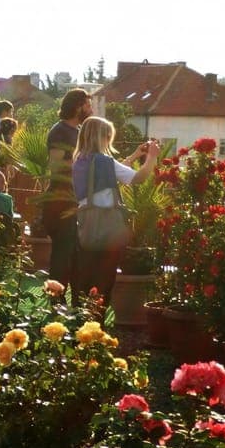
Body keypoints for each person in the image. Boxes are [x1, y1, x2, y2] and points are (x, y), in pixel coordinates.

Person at [71, 116, 160, 307]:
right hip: (107, 228)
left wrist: (135, 155)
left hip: (87, 226)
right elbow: (137, 178)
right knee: (104, 281)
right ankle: (97, 325)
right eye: (108, 136)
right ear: (101, 137)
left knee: (87, 277)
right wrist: (152, 157)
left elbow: (110, 175)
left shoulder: (80, 160)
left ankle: (80, 323)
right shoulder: (104, 161)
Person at [44, 88, 93, 305]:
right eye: (88, 104)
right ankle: (55, 305)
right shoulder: (59, 132)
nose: (90, 109)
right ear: (78, 106)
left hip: (78, 203)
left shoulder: (81, 131)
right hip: (60, 203)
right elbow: (55, 167)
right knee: (62, 258)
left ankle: (77, 305)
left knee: (78, 257)